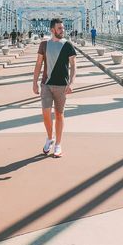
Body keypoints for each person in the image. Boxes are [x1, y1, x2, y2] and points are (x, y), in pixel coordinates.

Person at [32, 17, 77, 159]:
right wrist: (34, 82)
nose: (62, 30)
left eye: (63, 28)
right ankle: (49, 137)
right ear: (52, 30)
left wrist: (71, 83)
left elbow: (74, 65)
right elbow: (39, 64)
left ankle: (58, 144)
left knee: (59, 114)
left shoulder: (68, 45)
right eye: (59, 28)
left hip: (62, 86)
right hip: (46, 84)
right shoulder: (44, 45)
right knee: (45, 113)